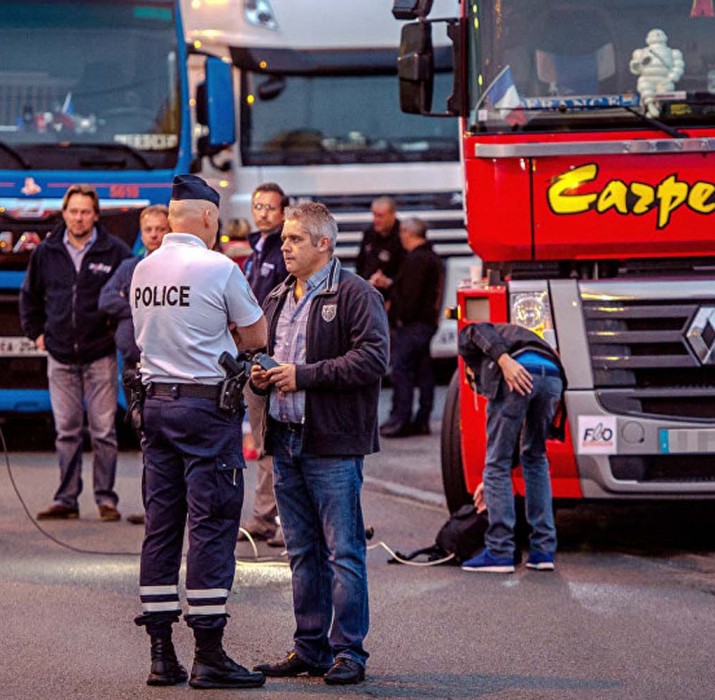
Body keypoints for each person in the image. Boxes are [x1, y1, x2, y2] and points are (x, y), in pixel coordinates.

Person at [130, 174, 267, 690]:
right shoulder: (219, 268)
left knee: (161, 527)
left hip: (156, 406)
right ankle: (209, 653)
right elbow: (255, 336)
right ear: (209, 218)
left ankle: (162, 655)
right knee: (210, 525)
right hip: (206, 411)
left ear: (170, 218)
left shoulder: (144, 269)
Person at [250, 202, 389, 686]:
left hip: (332, 442)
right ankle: (309, 647)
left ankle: (348, 651)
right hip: (286, 439)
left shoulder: (355, 293)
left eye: (294, 239)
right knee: (301, 551)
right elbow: (260, 352)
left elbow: (373, 359)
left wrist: (302, 376)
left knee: (344, 551)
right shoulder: (277, 296)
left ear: (323, 244)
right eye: (284, 239)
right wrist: (261, 375)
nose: (283, 246)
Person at [19, 184, 132, 521]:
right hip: (61, 355)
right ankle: (66, 500)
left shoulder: (115, 251)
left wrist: (116, 334)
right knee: (66, 431)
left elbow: (130, 297)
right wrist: (36, 333)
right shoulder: (46, 251)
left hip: (100, 354)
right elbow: (29, 296)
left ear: (95, 215)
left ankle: (106, 500)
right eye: (73, 211)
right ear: (63, 213)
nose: (78, 217)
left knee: (104, 432)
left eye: (85, 212)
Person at [457, 322, 566, 573]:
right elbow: (512, 450)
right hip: (553, 375)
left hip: (518, 368)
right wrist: (491, 484)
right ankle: (543, 551)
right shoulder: (519, 335)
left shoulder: (476, 349)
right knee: (535, 457)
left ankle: (499, 550)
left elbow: (472, 330)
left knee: (496, 463)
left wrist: (504, 361)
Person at [98, 204, 170, 526]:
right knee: (145, 437)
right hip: (132, 366)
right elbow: (105, 299)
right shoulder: (129, 266)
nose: (154, 235)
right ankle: (153, 505)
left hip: (165, 368)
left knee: (166, 437)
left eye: (160, 229)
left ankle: (169, 507)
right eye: (149, 230)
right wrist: (135, 302)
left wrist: (136, 301)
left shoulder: (175, 269)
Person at [239, 182, 289, 547]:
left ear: (284, 212)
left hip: (276, 356)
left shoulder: (285, 249)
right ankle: (262, 516)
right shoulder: (253, 247)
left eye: (271, 207)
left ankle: (285, 520)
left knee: (281, 442)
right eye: (258, 206)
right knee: (261, 443)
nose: (264, 213)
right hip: (251, 357)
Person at [380, 218, 443, 438]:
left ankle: (400, 419)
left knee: (402, 371)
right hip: (426, 324)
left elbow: (411, 296)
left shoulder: (417, 260)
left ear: (408, 233)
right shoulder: (431, 258)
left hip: (413, 325)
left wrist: (398, 315)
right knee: (424, 373)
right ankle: (422, 418)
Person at [354, 195, 405, 299]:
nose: (376, 220)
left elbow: (407, 272)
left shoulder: (403, 236)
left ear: (392, 214)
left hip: (393, 295)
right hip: (367, 292)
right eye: (374, 215)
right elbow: (360, 264)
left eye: (380, 216)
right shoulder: (369, 234)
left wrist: (389, 282)